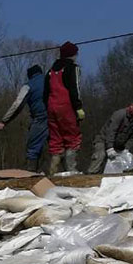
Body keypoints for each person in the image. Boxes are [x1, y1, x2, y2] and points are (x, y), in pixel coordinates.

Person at [0, 65, 48, 172]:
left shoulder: (29, 85)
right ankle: (63, 172)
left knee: (33, 147)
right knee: (57, 145)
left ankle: (31, 173)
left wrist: (4, 121)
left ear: (30, 75)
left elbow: (17, 104)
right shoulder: (50, 80)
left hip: (41, 117)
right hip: (57, 115)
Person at [43, 41, 84, 174]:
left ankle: (53, 171)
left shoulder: (51, 71)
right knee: (72, 137)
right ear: (72, 54)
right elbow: (75, 88)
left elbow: (45, 92)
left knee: (56, 139)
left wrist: (47, 107)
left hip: (51, 107)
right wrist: (78, 107)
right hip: (66, 106)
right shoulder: (73, 68)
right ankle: (71, 170)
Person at [88, 98, 133, 173]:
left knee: (120, 164)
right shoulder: (119, 114)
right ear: (132, 105)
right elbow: (111, 131)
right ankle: (91, 174)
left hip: (119, 145)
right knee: (100, 156)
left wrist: (126, 149)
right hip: (103, 140)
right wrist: (110, 148)